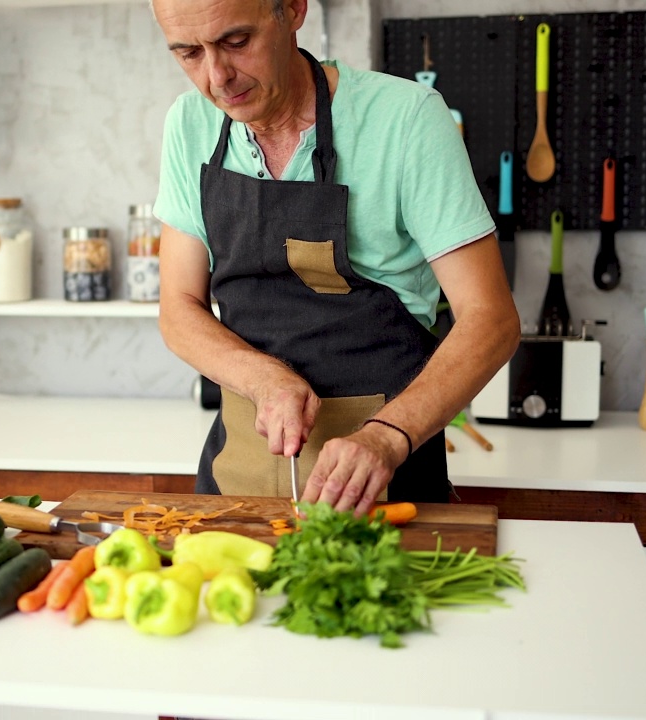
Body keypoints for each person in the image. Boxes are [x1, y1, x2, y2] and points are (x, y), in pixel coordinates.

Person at [151, 0, 520, 515]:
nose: (217, 77)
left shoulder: (405, 119)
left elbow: (491, 319)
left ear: (293, 10)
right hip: (238, 475)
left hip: (386, 476)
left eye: (237, 42)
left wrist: (387, 438)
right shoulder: (189, 123)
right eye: (189, 53)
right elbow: (179, 309)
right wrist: (264, 379)